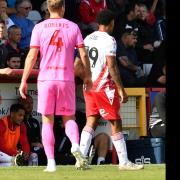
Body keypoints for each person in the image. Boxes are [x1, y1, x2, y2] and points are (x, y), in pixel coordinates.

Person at [19, 0, 92, 172]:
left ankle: (51, 163)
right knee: (69, 118)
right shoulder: (73, 26)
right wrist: (87, 76)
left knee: (47, 121)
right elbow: (83, 54)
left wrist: (23, 80)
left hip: (46, 79)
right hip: (66, 79)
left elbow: (31, 56)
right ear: (63, 8)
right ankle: (75, 145)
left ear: (48, 9)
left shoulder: (39, 27)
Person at [77, 9, 144, 170]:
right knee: (116, 122)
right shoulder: (110, 40)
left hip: (89, 85)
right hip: (103, 86)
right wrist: (121, 89)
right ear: (111, 23)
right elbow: (112, 66)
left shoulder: (87, 38)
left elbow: (78, 62)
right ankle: (124, 162)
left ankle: (80, 159)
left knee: (91, 120)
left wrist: (84, 79)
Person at [18, 94, 47, 165]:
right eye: (26, 103)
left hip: (37, 149)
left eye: (31, 103)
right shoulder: (18, 121)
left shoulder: (35, 121)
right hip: (24, 150)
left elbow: (39, 139)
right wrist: (33, 144)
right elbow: (17, 141)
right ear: (21, 104)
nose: (29, 105)